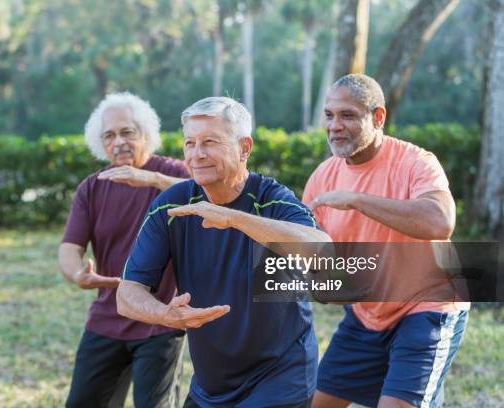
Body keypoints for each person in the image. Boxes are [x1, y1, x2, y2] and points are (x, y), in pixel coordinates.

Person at [116, 96, 331, 408]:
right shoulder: (172, 205)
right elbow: (126, 295)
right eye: (190, 143)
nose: (197, 154)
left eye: (210, 142)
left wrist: (233, 218)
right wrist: (165, 314)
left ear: (244, 148)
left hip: (281, 377)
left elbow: (324, 252)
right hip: (211, 385)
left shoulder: (272, 199)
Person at [302, 74, 470, 408]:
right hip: (367, 315)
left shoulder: (416, 162)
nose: (334, 125)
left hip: (428, 307)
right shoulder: (322, 177)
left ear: (378, 118)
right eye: (330, 115)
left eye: (348, 115)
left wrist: (357, 200)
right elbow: (312, 255)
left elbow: (439, 222)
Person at [59, 92, 189, 408]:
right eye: (109, 135)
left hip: (161, 317)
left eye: (127, 132)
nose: (118, 142)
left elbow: (205, 193)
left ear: (146, 134)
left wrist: (151, 179)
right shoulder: (93, 187)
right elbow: (69, 247)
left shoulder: (174, 174)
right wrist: (78, 274)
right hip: (108, 315)